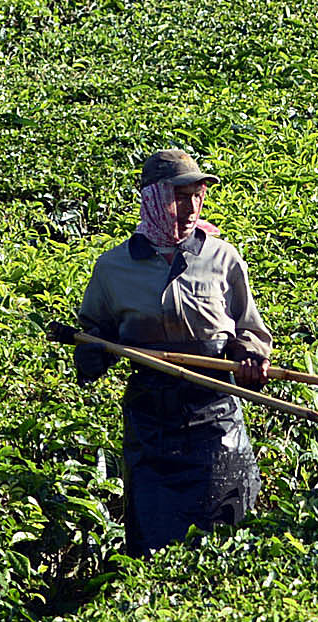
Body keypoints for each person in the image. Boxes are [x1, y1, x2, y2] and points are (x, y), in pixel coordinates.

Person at [72, 148, 275, 555]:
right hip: (152, 421)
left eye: (197, 196)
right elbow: (94, 331)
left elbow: (249, 328)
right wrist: (93, 353)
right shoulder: (113, 268)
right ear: (152, 198)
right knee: (153, 542)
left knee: (226, 541)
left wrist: (251, 356)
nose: (190, 207)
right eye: (179, 197)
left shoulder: (221, 257)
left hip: (215, 416)